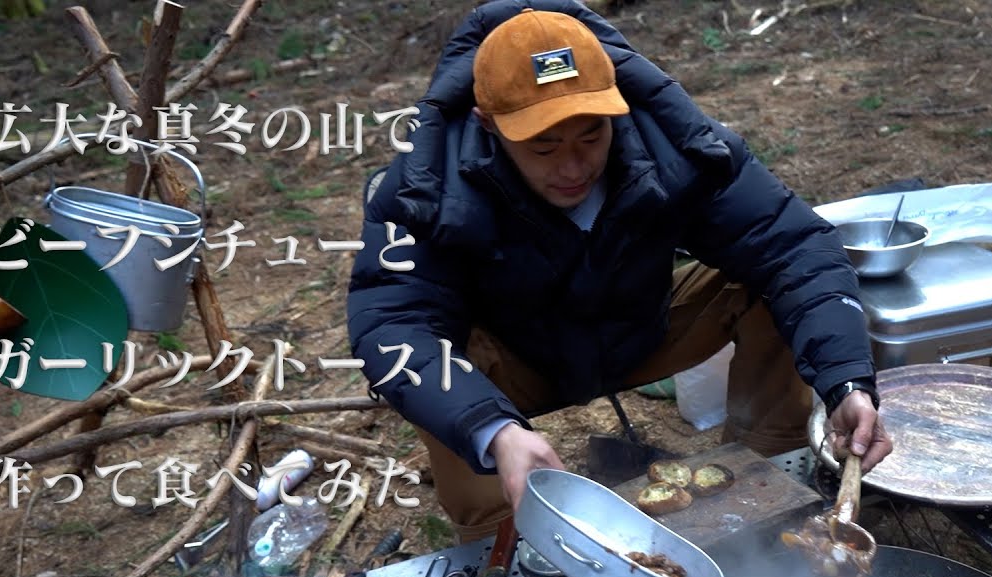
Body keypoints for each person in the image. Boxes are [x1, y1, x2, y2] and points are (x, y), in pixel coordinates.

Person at [347, 0, 893, 543]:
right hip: (517, 361)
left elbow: (796, 246)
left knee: (757, 283)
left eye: (591, 136)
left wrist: (845, 381)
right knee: (439, 373)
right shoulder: (426, 186)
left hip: (640, 330)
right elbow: (393, 324)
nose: (572, 167)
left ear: (618, 107)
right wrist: (493, 431)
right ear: (488, 125)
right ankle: (504, 548)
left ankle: (766, 484)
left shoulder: (679, 148)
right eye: (543, 145)